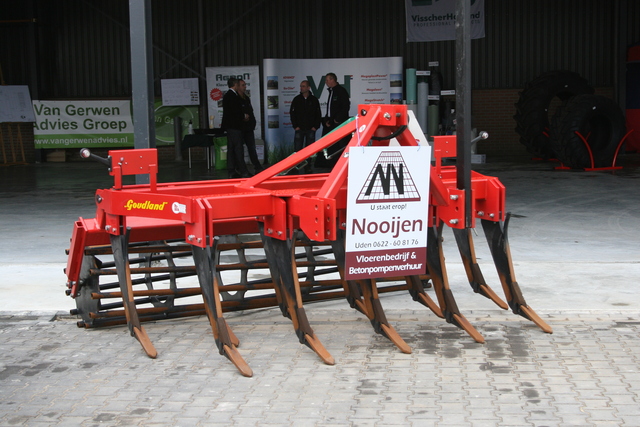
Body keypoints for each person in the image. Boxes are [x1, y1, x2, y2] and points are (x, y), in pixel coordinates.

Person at [317, 72, 351, 168]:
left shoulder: (341, 91)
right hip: (331, 122)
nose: (326, 82)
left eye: (327, 80)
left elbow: (345, 106)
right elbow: (330, 108)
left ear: (333, 80)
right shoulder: (331, 91)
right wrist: (328, 119)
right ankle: (332, 164)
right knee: (331, 143)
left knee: (341, 143)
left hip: (339, 122)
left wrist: (337, 119)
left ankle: (344, 164)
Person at [221, 77, 252, 178]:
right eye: (239, 85)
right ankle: (243, 171)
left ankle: (232, 170)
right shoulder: (232, 96)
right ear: (235, 85)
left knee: (231, 149)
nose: (240, 86)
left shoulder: (228, 95)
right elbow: (234, 111)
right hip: (234, 126)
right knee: (238, 149)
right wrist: (244, 116)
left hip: (230, 127)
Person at [236, 79, 264, 174]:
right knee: (239, 149)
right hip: (240, 128)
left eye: (245, 85)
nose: (245, 87)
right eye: (243, 85)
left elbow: (250, 112)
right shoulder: (236, 99)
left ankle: (257, 166)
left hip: (248, 128)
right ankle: (240, 168)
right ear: (238, 86)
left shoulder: (246, 98)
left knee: (252, 147)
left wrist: (253, 123)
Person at [290, 80, 322, 153]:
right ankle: (298, 164)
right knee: (297, 149)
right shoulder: (296, 99)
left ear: (308, 88)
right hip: (299, 128)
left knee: (310, 149)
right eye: (301, 86)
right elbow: (292, 113)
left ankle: (308, 163)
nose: (301, 88)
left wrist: (315, 127)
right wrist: (295, 126)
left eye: (303, 86)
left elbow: (318, 114)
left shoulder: (314, 100)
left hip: (311, 128)